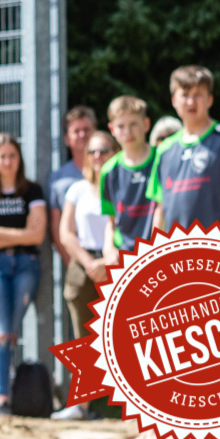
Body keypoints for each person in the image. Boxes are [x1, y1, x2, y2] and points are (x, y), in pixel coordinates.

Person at [0, 133, 47, 415]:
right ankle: (2, 399)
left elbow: (37, 235)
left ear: (19, 159)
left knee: (9, 334)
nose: (7, 161)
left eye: (12, 155)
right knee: (1, 333)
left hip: (26, 266)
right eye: (2, 156)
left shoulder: (32, 190)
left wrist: (0, 233)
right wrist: (20, 234)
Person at [54, 129, 118, 420]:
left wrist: (108, 262)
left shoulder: (123, 186)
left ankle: (123, 407)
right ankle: (82, 406)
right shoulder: (77, 189)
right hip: (83, 267)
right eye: (92, 151)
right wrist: (89, 263)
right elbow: (65, 233)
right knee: (83, 339)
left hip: (116, 264)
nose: (97, 157)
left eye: (103, 150)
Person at [149, 65, 220, 236]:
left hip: (218, 252)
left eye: (198, 95)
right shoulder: (164, 149)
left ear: (210, 99)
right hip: (177, 255)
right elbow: (160, 208)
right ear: (174, 100)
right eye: (185, 95)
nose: (191, 101)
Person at [98, 96, 155, 258]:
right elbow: (111, 222)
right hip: (125, 256)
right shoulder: (108, 170)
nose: (128, 132)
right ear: (112, 129)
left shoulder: (162, 159)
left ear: (146, 124)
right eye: (121, 126)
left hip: (160, 252)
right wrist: (108, 248)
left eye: (133, 124)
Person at [49, 106, 97, 267]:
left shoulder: (110, 171)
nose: (82, 135)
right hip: (76, 262)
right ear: (66, 139)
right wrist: (71, 263)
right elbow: (56, 227)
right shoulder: (58, 179)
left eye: (87, 129)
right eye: (76, 131)